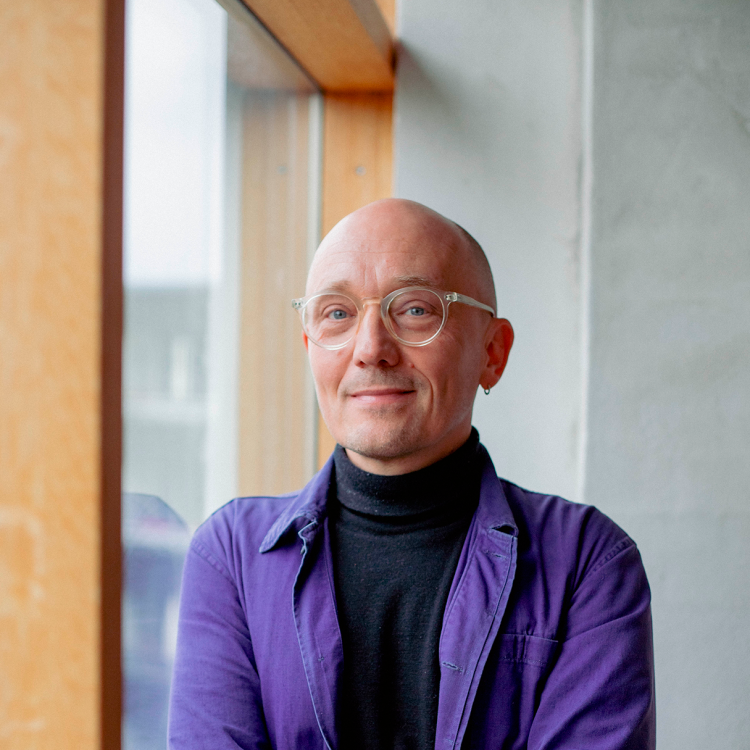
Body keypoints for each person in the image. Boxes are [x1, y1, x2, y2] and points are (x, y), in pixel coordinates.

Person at [168, 199, 655, 750]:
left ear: (492, 353)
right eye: (337, 314)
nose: (370, 349)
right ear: (310, 349)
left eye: (416, 309)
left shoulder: (587, 562)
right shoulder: (233, 556)